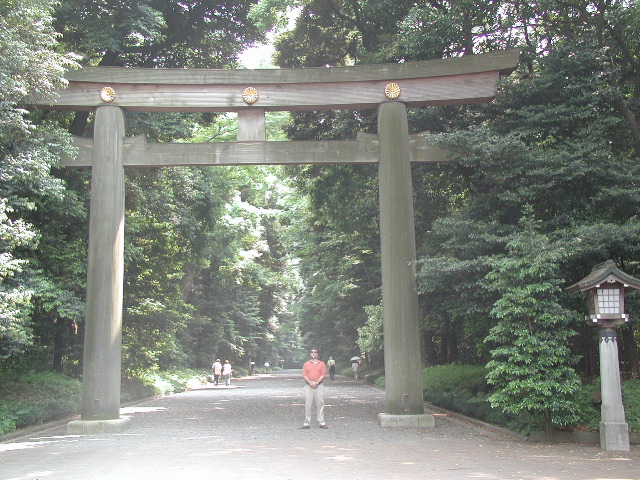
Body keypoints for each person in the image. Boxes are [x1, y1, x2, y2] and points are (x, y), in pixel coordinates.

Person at [301, 348, 327, 429]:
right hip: (308, 386)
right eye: (312, 352)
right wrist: (310, 382)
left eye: (315, 352)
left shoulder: (322, 364)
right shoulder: (306, 364)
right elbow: (304, 375)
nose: (313, 353)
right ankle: (306, 423)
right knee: (308, 404)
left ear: (317, 354)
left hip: (319, 386)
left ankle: (321, 422)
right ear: (310, 354)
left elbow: (323, 375)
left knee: (320, 403)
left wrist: (317, 382)